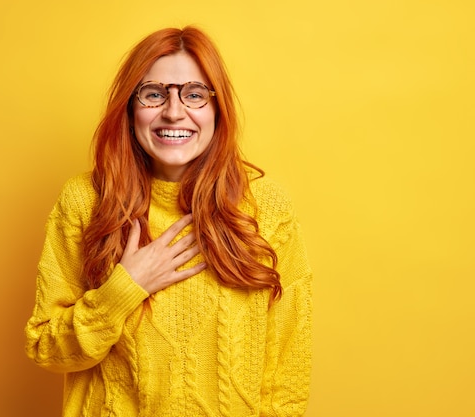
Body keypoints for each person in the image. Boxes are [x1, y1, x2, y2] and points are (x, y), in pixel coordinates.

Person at [25, 26, 312, 417]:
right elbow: (47, 350)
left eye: (194, 94)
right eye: (154, 94)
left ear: (217, 108)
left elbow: (286, 378)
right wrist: (125, 288)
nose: (174, 111)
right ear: (130, 108)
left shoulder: (266, 208)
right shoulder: (85, 201)